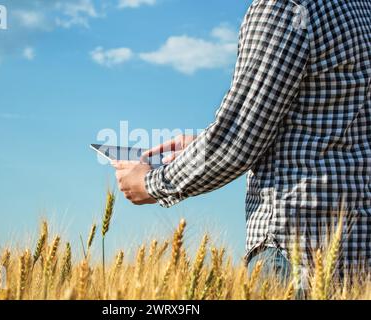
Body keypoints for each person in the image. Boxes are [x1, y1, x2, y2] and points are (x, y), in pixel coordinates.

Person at [112, 0, 371, 281]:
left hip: (295, 246)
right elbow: (337, 122)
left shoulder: (287, 7)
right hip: (358, 245)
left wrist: (151, 184)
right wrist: (203, 144)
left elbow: (239, 137)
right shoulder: (360, 7)